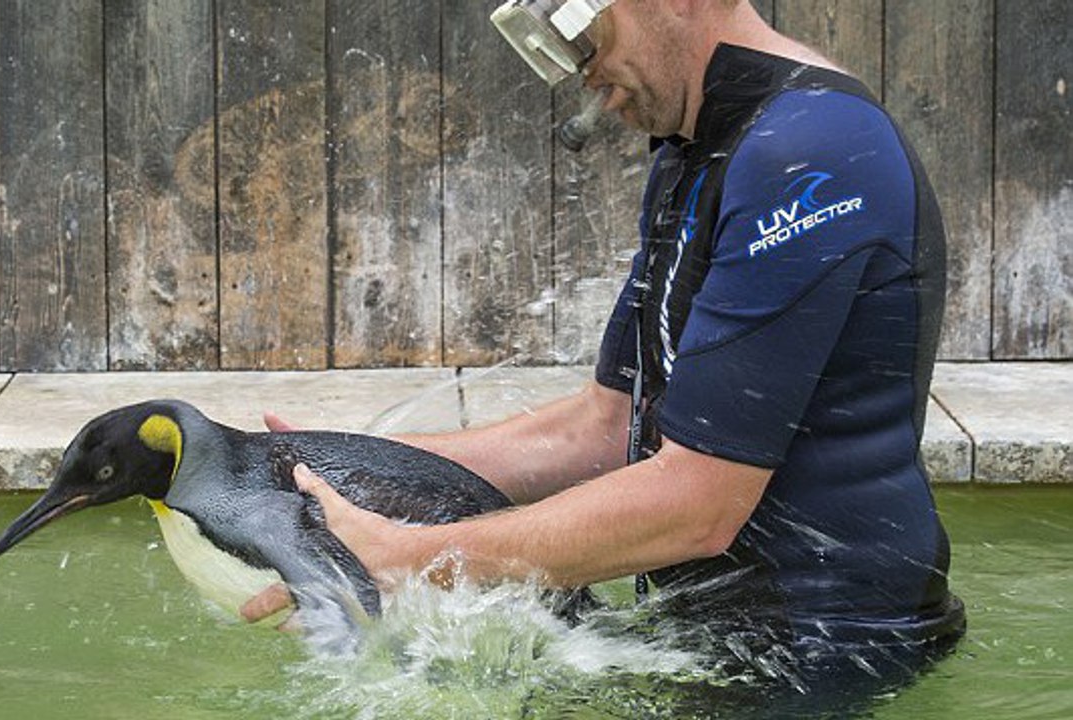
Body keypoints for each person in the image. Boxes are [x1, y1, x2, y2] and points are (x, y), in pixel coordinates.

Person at [244, 0, 965, 702]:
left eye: (584, 27)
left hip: (833, 648)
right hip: (707, 637)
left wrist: (407, 560)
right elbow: (602, 426)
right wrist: (333, 471)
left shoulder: (809, 151)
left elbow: (696, 504)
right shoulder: (693, 150)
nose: (579, 71)